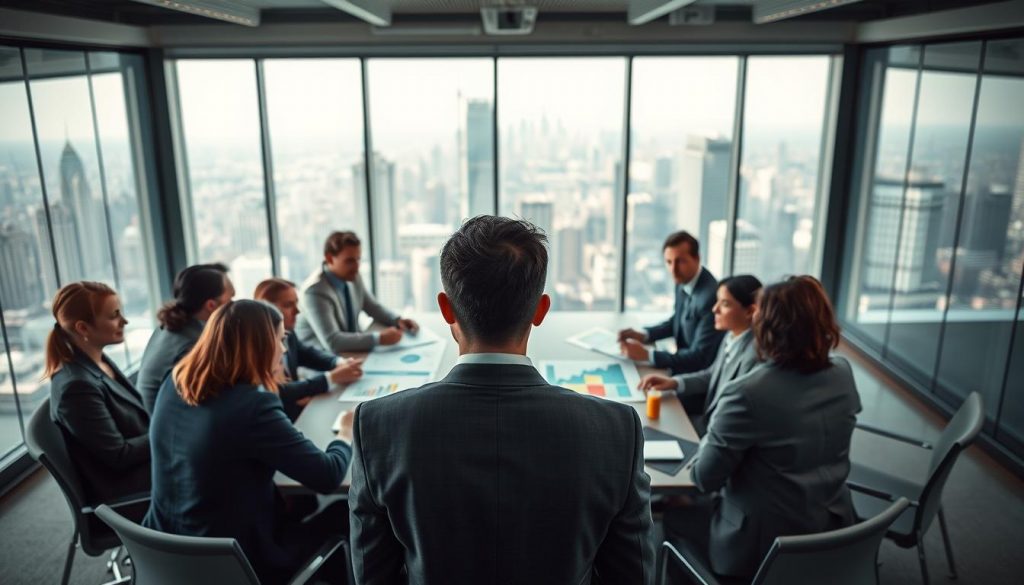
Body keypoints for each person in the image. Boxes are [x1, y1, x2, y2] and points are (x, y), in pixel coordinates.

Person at [349, 216, 654, 585]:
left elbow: (372, 577)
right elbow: (632, 576)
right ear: (540, 310)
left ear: (446, 309)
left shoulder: (377, 426)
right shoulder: (616, 430)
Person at [665, 275, 862, 580]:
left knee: (673, 518)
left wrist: (709, 440)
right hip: (831, 529)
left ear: (767, 326)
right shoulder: (842, 372)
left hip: (761, 546)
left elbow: (705, 479)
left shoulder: (747, 393)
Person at [144, 300, 352, 585]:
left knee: (299, 501)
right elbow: (328, 475)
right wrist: (345, 433)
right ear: (260, 346)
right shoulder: (254, 406)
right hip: (232, 562)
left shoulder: (177, 379)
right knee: (347, 511)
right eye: (279, 340)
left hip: (164, 550)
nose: (284, 350)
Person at [44, 282, 150, 505]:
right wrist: (166, 433)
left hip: (144, 467)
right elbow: (119, 457)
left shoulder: (98, 361)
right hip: (127, 495)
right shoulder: (76, 389)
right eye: (114, 315)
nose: (125, 321)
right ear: (83, 328)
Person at [639, 275, 762, 436]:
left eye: (724, 304)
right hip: (708, 421)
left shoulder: (754, 356)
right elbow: (712, 374)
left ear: (750, 311)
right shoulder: (731, 336)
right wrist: (674, 382)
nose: (714, 309)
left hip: (718, 433)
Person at [254, 278, 364, 421]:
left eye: (296, 303)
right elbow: (277, 390)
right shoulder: (256, 348)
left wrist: (339, 363)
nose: (297, 311)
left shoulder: (288, 332)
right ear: (267, 310)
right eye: (288, 305)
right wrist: (331, 377)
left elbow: (306, 354)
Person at [618, 231, 724, 375]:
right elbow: (678, 320)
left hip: (695, 377)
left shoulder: (710, 298)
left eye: (680, 261)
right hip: (682, 366)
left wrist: (648, 355)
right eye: (669, 262)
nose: (673, 270)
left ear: (697, 258)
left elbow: (700, 357)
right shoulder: (683, 280)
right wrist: (644, 335)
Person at [295, 231, 418, 353]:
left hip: (351, 353)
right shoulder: (314, 292)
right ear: (329, 258)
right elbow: (333, 341)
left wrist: (397, 320)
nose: (356, 266)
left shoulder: (352, 275)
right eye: (349, 261)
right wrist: (379, 338)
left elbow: (372, 306)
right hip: (325, 361)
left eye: (358, 259)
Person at [136, 263, 234, 412]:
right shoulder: (193, 345)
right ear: (211, 305)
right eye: (230, 300)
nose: (233, 306)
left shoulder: (168, 328)